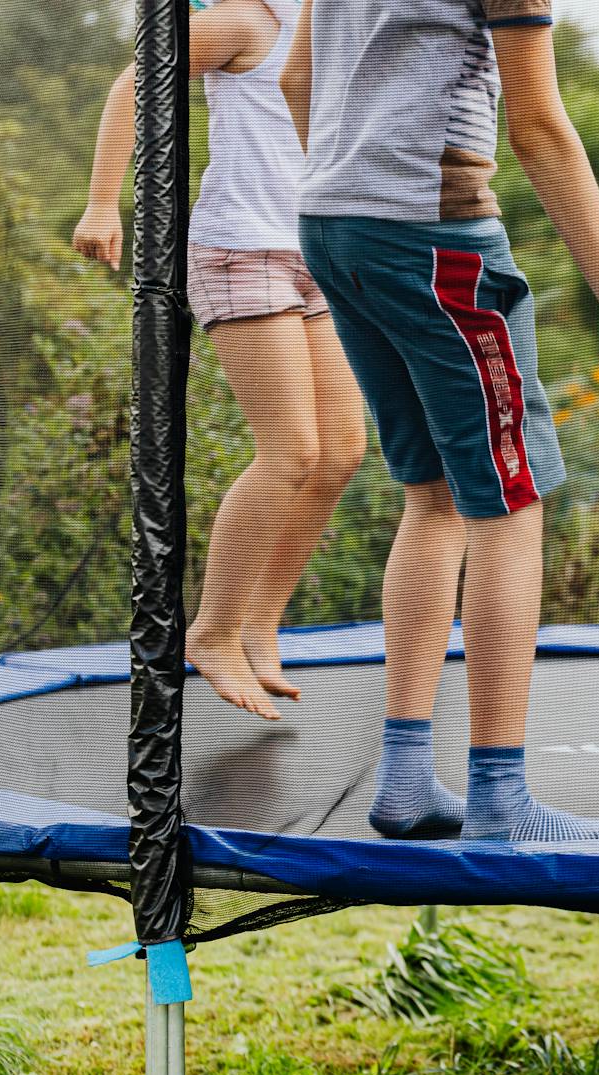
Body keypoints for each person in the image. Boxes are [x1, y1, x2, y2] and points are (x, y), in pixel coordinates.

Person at [280, 0, 599, 840]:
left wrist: (355, 179)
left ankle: (404, 779)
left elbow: (296, 78)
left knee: (431, 493)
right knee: (510, 498)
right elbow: (537, 127)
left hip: (331, 221)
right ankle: (500, 797)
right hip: (434, 235)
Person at [75, 0, 366, 722]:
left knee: (342, 452)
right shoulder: (245, 21)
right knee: (291, 451)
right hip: (242, 251)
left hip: (315, 251)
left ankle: (262, 621)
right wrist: (102, 205)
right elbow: (131, 83)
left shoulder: (333, 20)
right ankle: (212, 628)